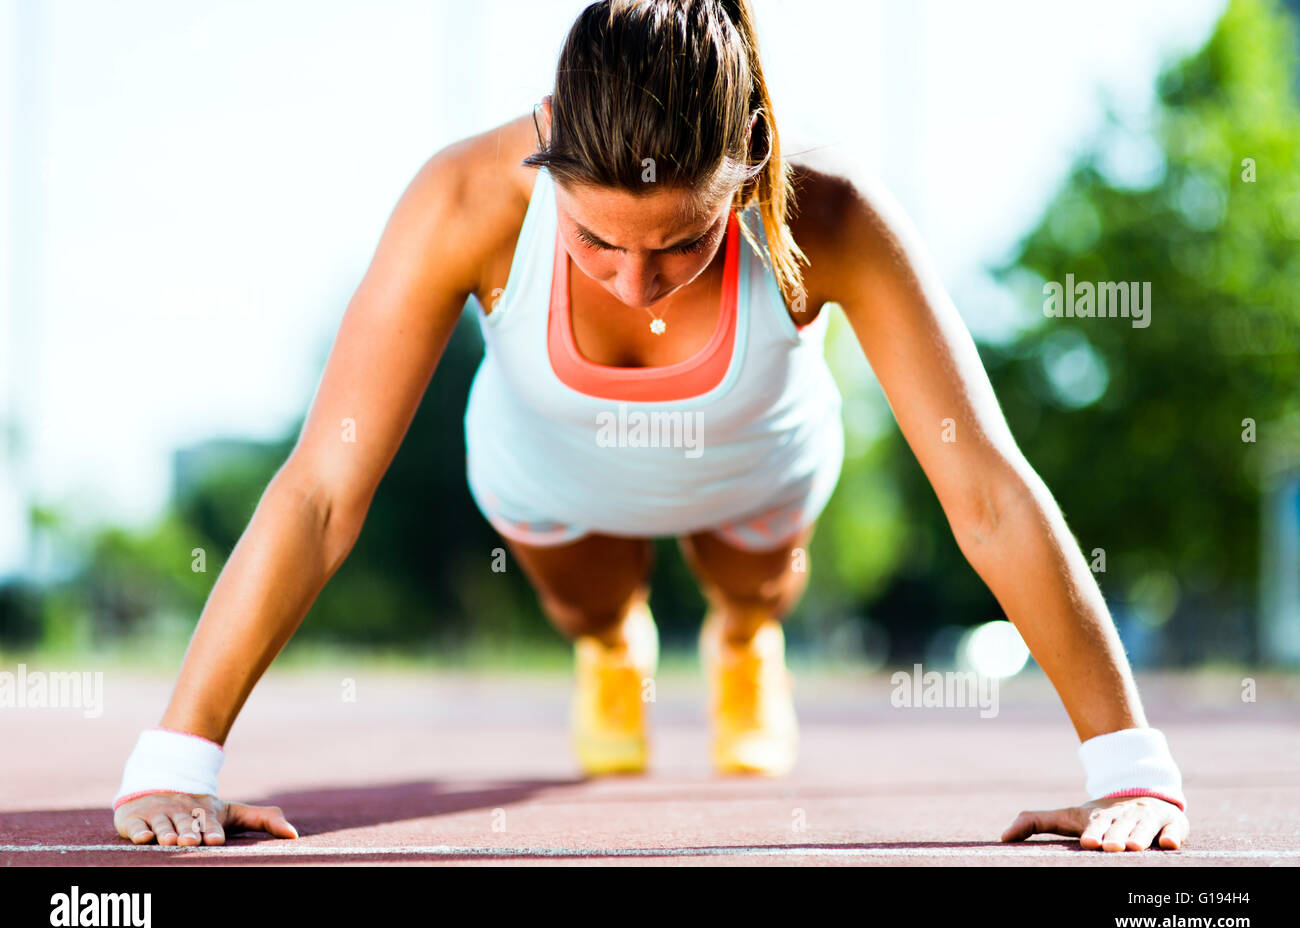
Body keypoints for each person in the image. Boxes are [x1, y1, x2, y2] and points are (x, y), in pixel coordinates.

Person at [111, 0, 1189, 853]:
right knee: (592, 606)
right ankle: (616, 645)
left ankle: (742, 635)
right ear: (547, 151)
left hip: (755, 467)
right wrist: (180, 754)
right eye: (592, 238)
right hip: (548, 475)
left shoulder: (834, 212)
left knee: (750, 580)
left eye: (678, 243)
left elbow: (988, 490)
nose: (634, 283)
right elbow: (321, 488)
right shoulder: (460, 199)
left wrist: (1127, 765)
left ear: (750, 167)